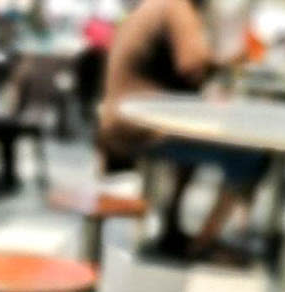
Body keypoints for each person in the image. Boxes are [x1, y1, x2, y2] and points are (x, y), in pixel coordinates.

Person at [98, 0, 269, 261]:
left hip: (124, 120)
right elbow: (192, 63)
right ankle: (204, 243)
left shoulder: (152, 6)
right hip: (141, 126)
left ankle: (173, 226)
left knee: (197, 145)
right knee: (249, 153)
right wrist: (234, 59)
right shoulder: (177, 7)